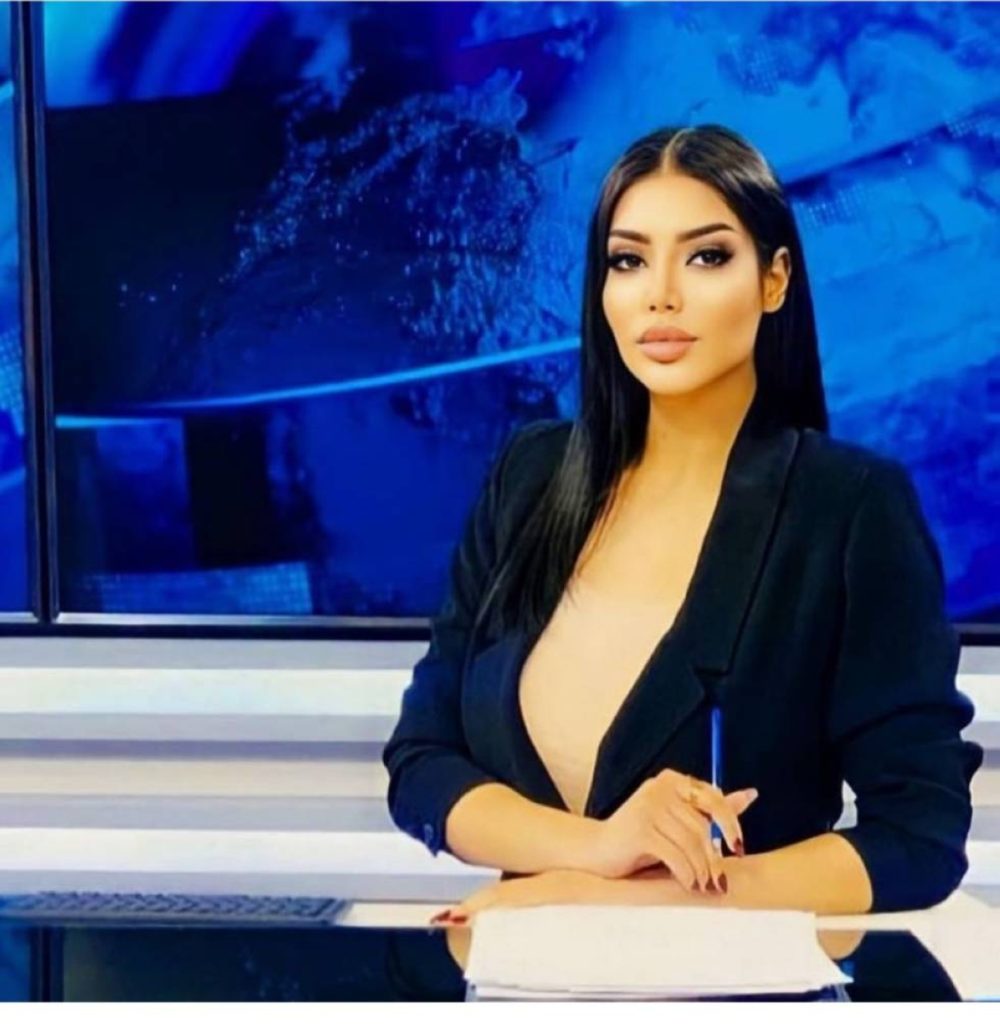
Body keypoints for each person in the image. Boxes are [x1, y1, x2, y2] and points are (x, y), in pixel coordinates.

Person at [382, 124, 982, 917]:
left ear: (774, 280)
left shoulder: (850, 505)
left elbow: (918, 837)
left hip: (730, 975)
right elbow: (423, 763)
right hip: (509, 965)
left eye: (706, 257)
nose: (660, 294)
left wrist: (619, 901)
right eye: (628, 261)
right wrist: (596, 852)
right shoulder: (529, 475)